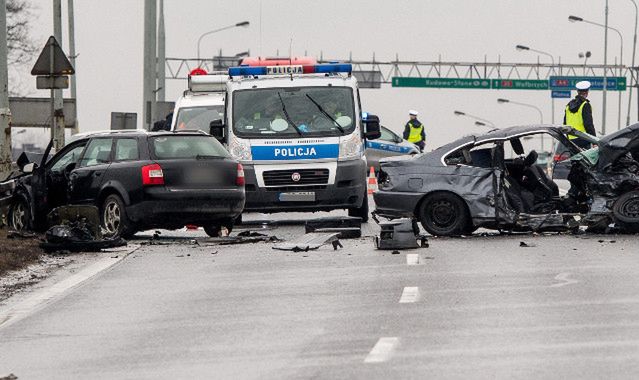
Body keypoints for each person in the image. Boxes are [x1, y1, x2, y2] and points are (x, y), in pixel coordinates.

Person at [563, 80, 596, 149]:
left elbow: (565, 123)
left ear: (578, 92)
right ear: (587, 92)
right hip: (583, 138)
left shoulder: (568, 106)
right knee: (584, 159)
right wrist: (594, 140)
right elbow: (588, 124)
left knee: (574, 159)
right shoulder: (585, 105)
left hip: (571, 139)